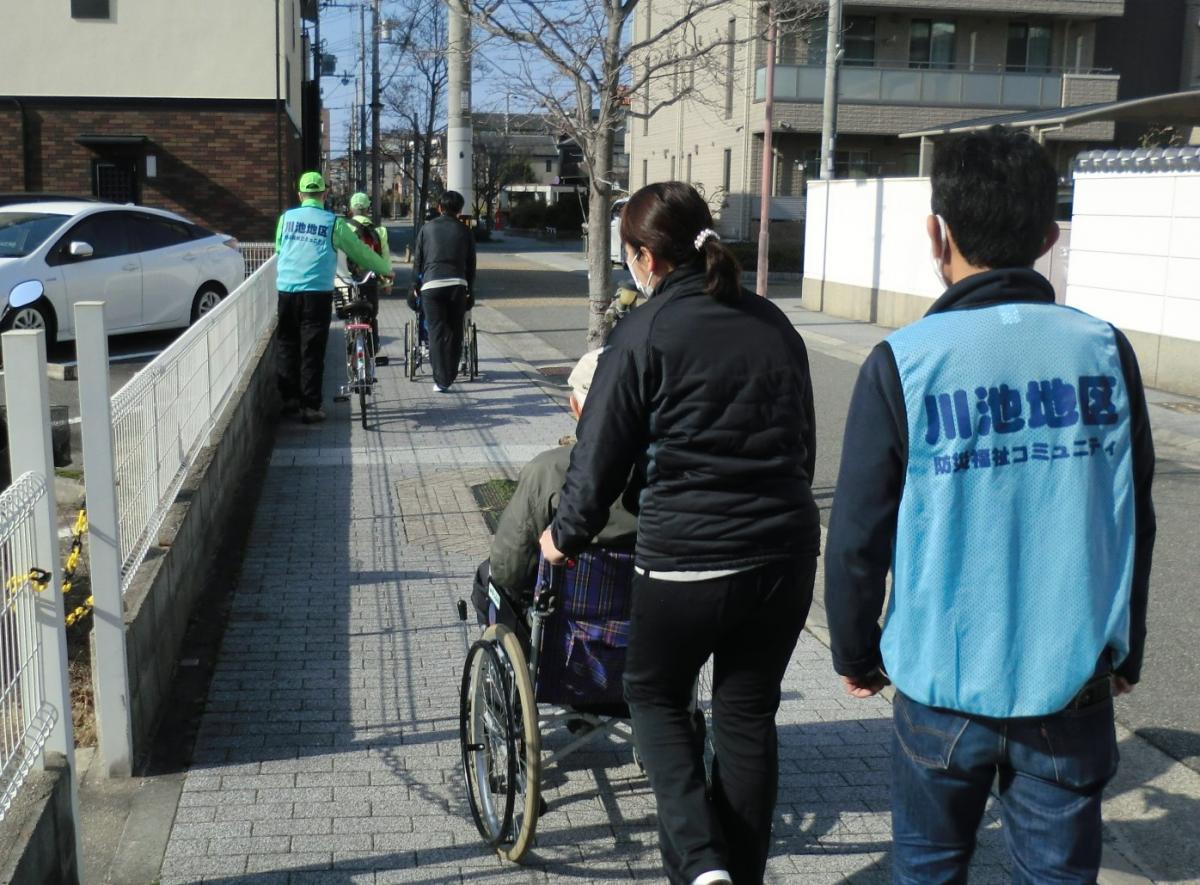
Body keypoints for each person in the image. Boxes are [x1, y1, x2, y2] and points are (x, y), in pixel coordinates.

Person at [824, 126, 1156, 883]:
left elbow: (855, 538)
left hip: (940, 684)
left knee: (929, 867)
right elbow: (1134, 515)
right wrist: (1128, 643)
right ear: (1048, 235)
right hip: (1072, 681)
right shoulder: (1106, 351)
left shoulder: (903, 362)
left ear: (936, 234)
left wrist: (854, 651)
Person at [539, 182, 821, 885]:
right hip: (784, 553)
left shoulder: (643, 330)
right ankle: (739, 876)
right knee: (747, 714)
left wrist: (563, 535)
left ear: (644, 256)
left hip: (689, 559)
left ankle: (700, 866)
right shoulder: (773, 322)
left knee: (655, 693)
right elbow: (804, 444)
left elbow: (596, 455)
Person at [472, 348, 637, 620]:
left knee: (489, 579)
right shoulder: (668, 466)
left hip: (566, 622)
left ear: (575, 407)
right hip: (646, 620)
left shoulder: (550, 468)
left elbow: (509, 567)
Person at [275, 172, 393, 423]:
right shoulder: (333, 223)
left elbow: (278, 248)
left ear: (300, 195)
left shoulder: (286, 219)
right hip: (317, 293)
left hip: (286, 289)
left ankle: (289, 400)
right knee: (312, 348)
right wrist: (384, 269)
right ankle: (310, 406)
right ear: (324, 194)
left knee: (286, 343)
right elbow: (359, 252)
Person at [411, 190, 476, 392]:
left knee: (436, 333)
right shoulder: (465, 231)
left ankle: (441, 380)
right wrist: (470, 289)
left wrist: (415, 285)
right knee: (455, 331)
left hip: (431, 286)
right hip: (457, 284)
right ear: (460, 209)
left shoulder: (427, 228)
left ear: (440, 207)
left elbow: (418, 260)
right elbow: (471, 264)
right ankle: (451, 373)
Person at [345, 191, 391, 356]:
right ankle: (372, 348)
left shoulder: (344, 228)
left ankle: (351, 344)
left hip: (348, 281)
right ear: (367, 209)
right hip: (370, 279)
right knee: (371, 314)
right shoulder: (379, 231)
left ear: (351, 209)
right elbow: (384, 259)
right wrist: (387, 283)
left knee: (349, 313)